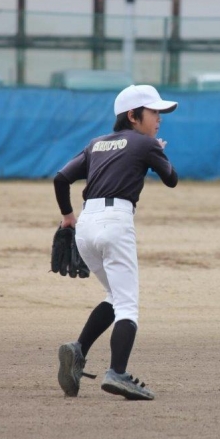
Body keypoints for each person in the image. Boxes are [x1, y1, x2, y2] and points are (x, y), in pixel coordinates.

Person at [54, 85, 179, 401]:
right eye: (154, 112)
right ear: (133, 116)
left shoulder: (96, 144)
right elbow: (172, 179)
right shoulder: (145, 143)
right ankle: (117, 373)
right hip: (115, 222)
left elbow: (61, 179)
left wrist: (68, 217)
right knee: (127, 305)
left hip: (85, 225)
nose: (159, 118)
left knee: (115, 295)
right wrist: (156, 151)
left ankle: (78, 350)